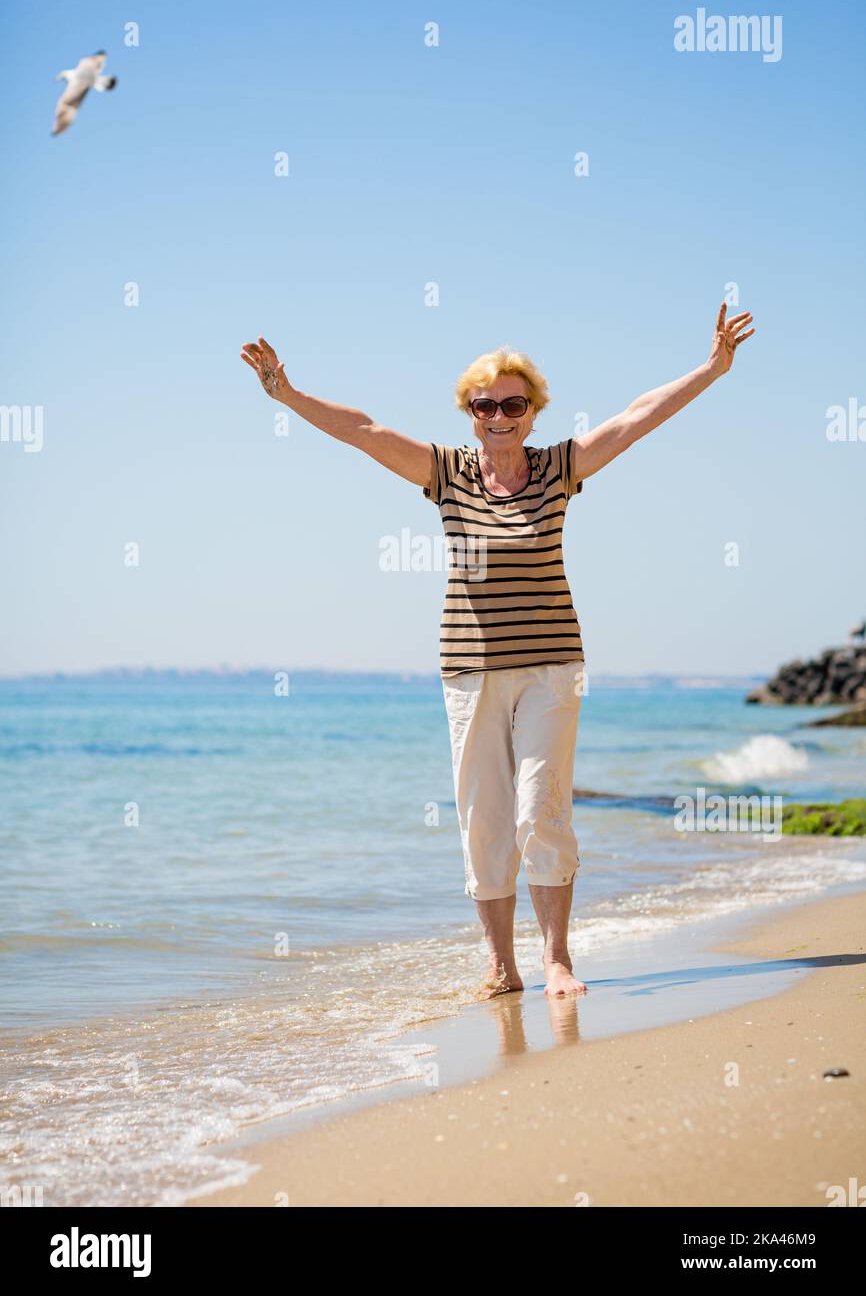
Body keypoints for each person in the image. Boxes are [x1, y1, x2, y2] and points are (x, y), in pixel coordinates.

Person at [240, 302, 755, 997]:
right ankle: (500, 965)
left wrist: (713, 369)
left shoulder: (557, 469)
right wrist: (287, 394)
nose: (499, 417)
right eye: (485, 406)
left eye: (513, 405)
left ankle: (557, 961)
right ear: (470, 412)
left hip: (550, 669)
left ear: (534, 411)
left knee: (540, 809)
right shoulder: (446, 472)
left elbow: (636, 419)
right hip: (470, 672)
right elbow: (363, 431)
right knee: (484, 821)